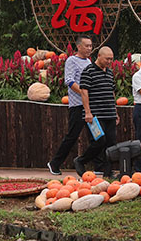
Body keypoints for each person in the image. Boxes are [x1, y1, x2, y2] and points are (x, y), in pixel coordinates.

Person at [48, 34, 93, 175]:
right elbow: (69, 80)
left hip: (90, 106)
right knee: (72, 136)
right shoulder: (72, 60)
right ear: (78, 46)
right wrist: (83, 93)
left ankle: (99, 165)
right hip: (78, 105)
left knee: (96, 136)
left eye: (91, 46)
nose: (89, 48)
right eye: (86, 46)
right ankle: (54, 163)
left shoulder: (89, 62)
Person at [75, 46, 118, 178]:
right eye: (107, 59)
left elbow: (112, 93)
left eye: (111, 59)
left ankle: (108, 172)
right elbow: (84, 92)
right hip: (95, 115)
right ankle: (81, 161)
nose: (109, 61)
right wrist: (88, 112)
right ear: (99, 56)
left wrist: (115, 111)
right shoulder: (88, 71)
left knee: (111, 144)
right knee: (99, 141)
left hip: (109, 113)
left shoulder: (110, 72)